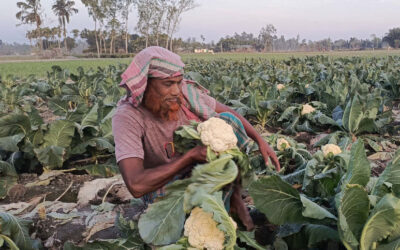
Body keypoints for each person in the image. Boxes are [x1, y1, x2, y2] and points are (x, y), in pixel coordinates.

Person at [112, 46, 280, 231]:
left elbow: (228, 112)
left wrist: (260, 140)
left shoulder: (185, 94)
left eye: (178, 82)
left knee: (228, 123)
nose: (176, 91)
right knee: (190, 227)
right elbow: (136, 185)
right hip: (163, 186)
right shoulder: (128, 117)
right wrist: (190, 157)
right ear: (146, 85)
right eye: (168, 84)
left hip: (198, 170)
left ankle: (235, 200)